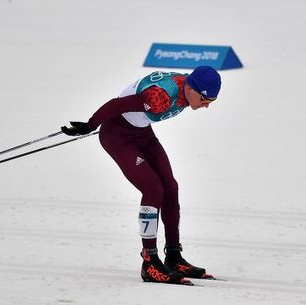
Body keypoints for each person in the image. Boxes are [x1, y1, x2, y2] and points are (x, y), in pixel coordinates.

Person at [61, 66, 222, 285]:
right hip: (117, 136)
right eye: (205, 100)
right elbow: (117, 105)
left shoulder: (187, 86)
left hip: (142, 133)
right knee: (153, 189)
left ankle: (173, 256)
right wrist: (90, 125)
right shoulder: (159, 97)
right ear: (193, 90)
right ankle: (150, 262)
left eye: (211, 102)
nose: (206, 106)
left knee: (170, 187)